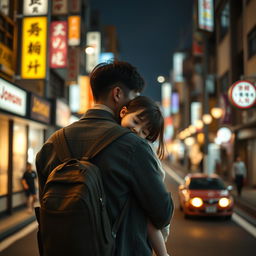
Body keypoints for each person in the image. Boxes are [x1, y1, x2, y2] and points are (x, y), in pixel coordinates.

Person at [36, 61, 173, 256]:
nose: (133, 104)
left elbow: (47, 206)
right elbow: (161, 213)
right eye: (133, 98)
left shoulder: (51, 145)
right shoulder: (134, 146)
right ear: (117, 94)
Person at [119, 96, 170, 256]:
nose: (137, 130)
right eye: (135, 122)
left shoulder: (140, 149)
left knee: (148, 217)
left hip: (148, 205)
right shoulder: (126, 143)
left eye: (144, 132)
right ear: (123, 112)